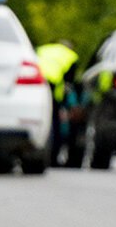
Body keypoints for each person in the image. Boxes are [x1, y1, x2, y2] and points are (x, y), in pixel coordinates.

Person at [34, 38, 81, 166]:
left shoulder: (42, 49)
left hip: (34, 83)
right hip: (51, 85)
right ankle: (53, 158)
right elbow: (68, 84)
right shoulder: (71, 56)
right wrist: (66, 105)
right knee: (54, 123)